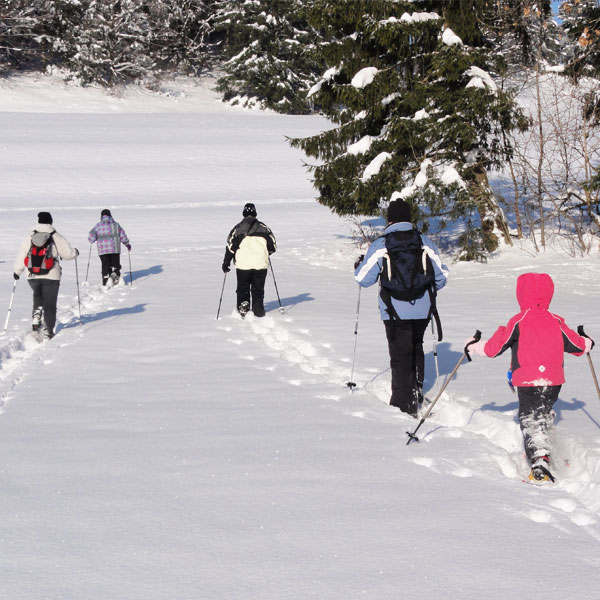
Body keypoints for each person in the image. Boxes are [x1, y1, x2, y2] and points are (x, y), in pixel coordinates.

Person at [466, 272, 592, 482]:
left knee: (531, 419)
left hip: (527, 380)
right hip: (553, 381)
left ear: (521, 294)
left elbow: (492, 349)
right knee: (543, 412)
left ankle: (540, 461)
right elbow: (579, 346)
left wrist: (471, 346)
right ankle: (549, 451)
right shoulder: (556, 321)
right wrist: (588, 341)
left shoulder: (518, 320)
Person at [354, 198, 449, 417]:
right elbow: (441, 278)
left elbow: (363, 279)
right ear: (409, 218)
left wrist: (359, 264)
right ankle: (415, 392)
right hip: (423, 309)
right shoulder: (425, 242)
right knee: (416, 347)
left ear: (390, 219)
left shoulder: (381, 245)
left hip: (393, 309)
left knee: (400, 354)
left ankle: (402, 404)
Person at [13, 211, 79, 339]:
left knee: (38, 293)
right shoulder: (55, 236)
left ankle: (37, 315)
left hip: (32, 275)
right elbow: (67, 254)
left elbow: (22, 255)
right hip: (51, 275)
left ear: (38, 221)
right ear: (50, 221)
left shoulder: (30, 236)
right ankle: (48, 331)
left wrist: (17, 271)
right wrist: (75, 252)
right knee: (50, 304)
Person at [222, 203, 276, 318]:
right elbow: (273, 246)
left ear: (244, 213)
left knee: (243, 287)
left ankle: (243, 306)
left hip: (243, 264)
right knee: (258, 288)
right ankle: (258, 309)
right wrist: (265, 253)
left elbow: (230, 247)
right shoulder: (264, 228)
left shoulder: (238, 228)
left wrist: (226, 263)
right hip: (260, 263)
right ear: (255, 213)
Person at [88, 209, 131, 287]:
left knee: (105, 264)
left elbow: (91, 236)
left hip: (102, 250)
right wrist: (127, 244)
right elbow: (123, 236)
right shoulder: (116, 225)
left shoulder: (98, 225)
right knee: (115, 264)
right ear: (110, 215)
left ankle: (106, 278)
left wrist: (91, 239)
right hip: (114, 248)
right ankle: (115, 276)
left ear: (101, 216)